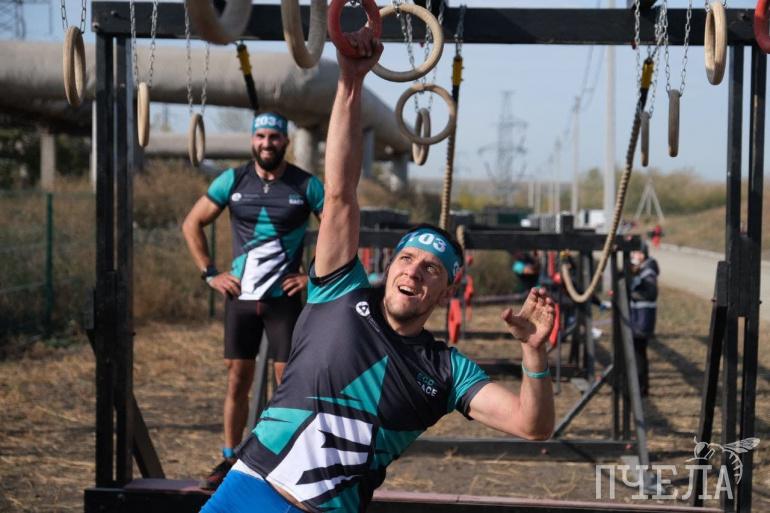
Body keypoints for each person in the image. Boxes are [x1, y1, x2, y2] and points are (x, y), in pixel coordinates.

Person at [199, 28, 555, 513]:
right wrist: (350, 81)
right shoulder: (339, 292)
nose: (415, 271)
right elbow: (340, 193)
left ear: (445, 292)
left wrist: (534, 353)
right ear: (390, 267)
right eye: (407, 259)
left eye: (432, 269)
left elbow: (533, 426)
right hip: (247, 489)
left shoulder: (447, 370)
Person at [182, 111, 324, 490]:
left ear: (285, 142)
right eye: (260, 136)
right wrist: (210, 273)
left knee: (288, 383)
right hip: (240, 299)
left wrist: (312, 277)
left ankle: (285, 460)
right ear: (252, 141)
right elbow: (192, 223)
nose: (267, 143)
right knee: (237, 380)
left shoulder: (306, 184)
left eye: (274, 137)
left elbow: (339, 226)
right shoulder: (232, 180)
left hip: (283, 301)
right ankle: (230, 459)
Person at [629, 242, 659, 397]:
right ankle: (640, 386)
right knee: (638, 353)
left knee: (639, 354)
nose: (634, 256)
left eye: (636, 253)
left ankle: (641, 388)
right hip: (638, 318)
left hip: (642, 319)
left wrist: (631, 294)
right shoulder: (641, 269)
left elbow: (651, 293)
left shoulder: (648, 271)